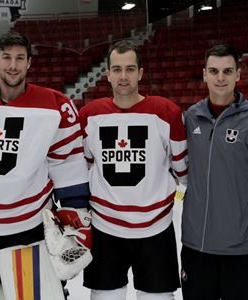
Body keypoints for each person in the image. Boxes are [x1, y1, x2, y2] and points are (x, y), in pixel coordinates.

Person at [0, 31, 90, 300]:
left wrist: (75, 215)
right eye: (7, 58)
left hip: (28, 227)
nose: (13, 65)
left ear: (29, 63)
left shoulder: (56, 106)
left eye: (20, 58)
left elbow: (67, 163)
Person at [79, 40, 188, 300]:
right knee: (105, 296)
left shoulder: (167, 113)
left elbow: (182, 170)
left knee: (158, 298)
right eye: (117, 69)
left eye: (130, 69)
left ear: (141, 73)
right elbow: (83, 165)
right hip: (105, 228)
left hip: (156, 228)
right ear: (107, 74)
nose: (123, 76)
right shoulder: (89, 116)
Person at [181, 44, 248, 300]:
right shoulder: (191, 117)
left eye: (227, 71)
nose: (220, 78)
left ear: (238, 74)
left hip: (242, 250)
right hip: (196, 248)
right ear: (204, 74)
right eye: (214, 71)